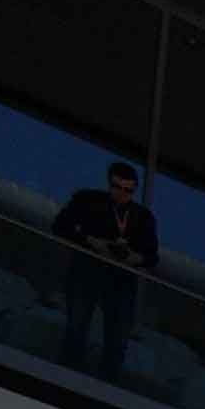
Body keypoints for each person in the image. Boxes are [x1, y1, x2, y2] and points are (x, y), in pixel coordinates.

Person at [48, 161, 158, 379]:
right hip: (86, 273)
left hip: (120, 282)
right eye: (118, 188)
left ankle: (107, 383)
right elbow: (60, 226)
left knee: (117, 339)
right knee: (77, 327)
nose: (122, 194)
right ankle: (67, 376)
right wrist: (91, 242)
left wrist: (132, 257)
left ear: (134, 190)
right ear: (109, 184)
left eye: (128, 190)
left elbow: (152, 257)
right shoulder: (89, 200)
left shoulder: (142, 217)